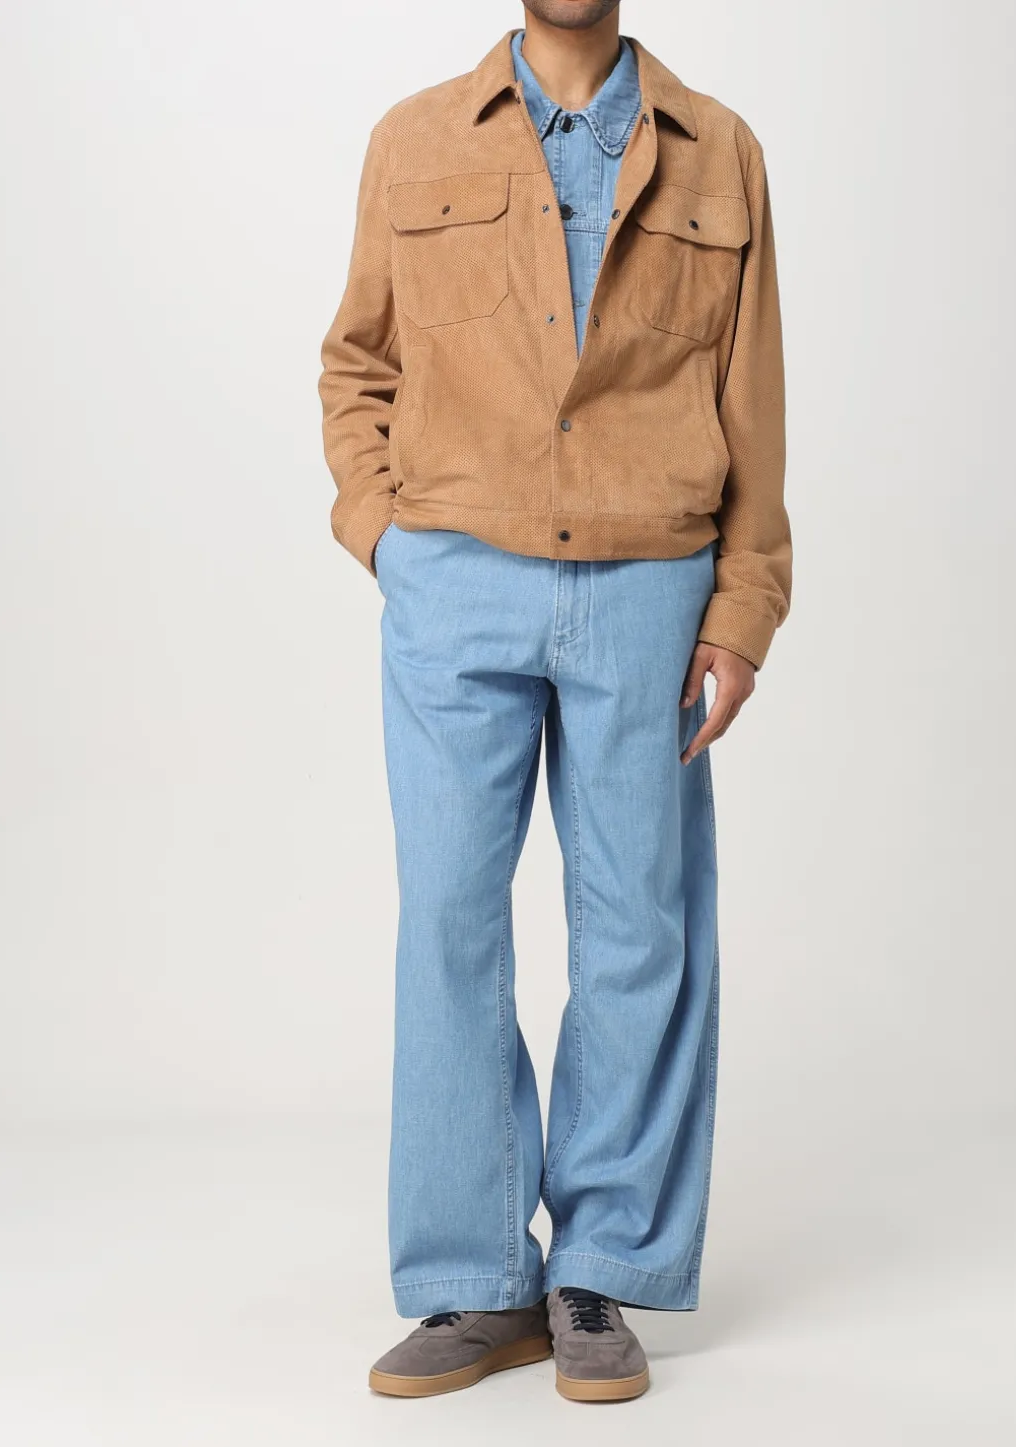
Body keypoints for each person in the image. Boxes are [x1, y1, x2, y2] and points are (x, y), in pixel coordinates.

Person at [318, 0, 790, 1403]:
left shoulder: (720, 151)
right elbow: (358, 362)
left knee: (642, 922)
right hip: (455, 577)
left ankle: (598, 1269)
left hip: (651, 586)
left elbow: (754, 399)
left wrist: (744, 605)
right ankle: (473, 1279)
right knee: (449, 920)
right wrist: (385, 534)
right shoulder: (413, 141)